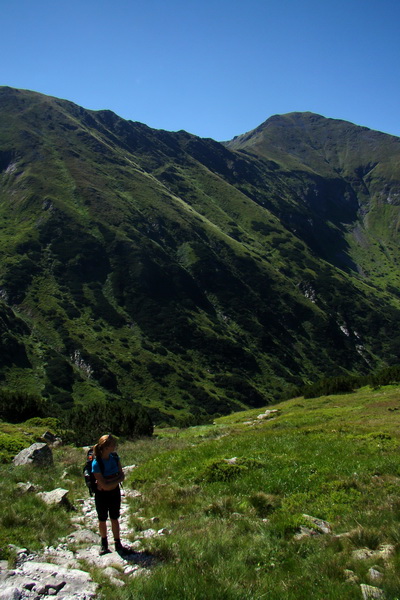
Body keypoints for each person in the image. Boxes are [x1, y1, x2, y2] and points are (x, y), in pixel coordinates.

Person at [92, 433, 128, 555]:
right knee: (102, 519)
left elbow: (117, 478)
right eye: (113, 445)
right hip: (104, 494)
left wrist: (108, 482)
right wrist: (115, 480)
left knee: (114, 518)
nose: (115, 447)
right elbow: (117, 479)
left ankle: (116, 542)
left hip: (112, 493)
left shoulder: (114, 457)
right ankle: (104, 543)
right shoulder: (96, 463)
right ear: (106, 447)